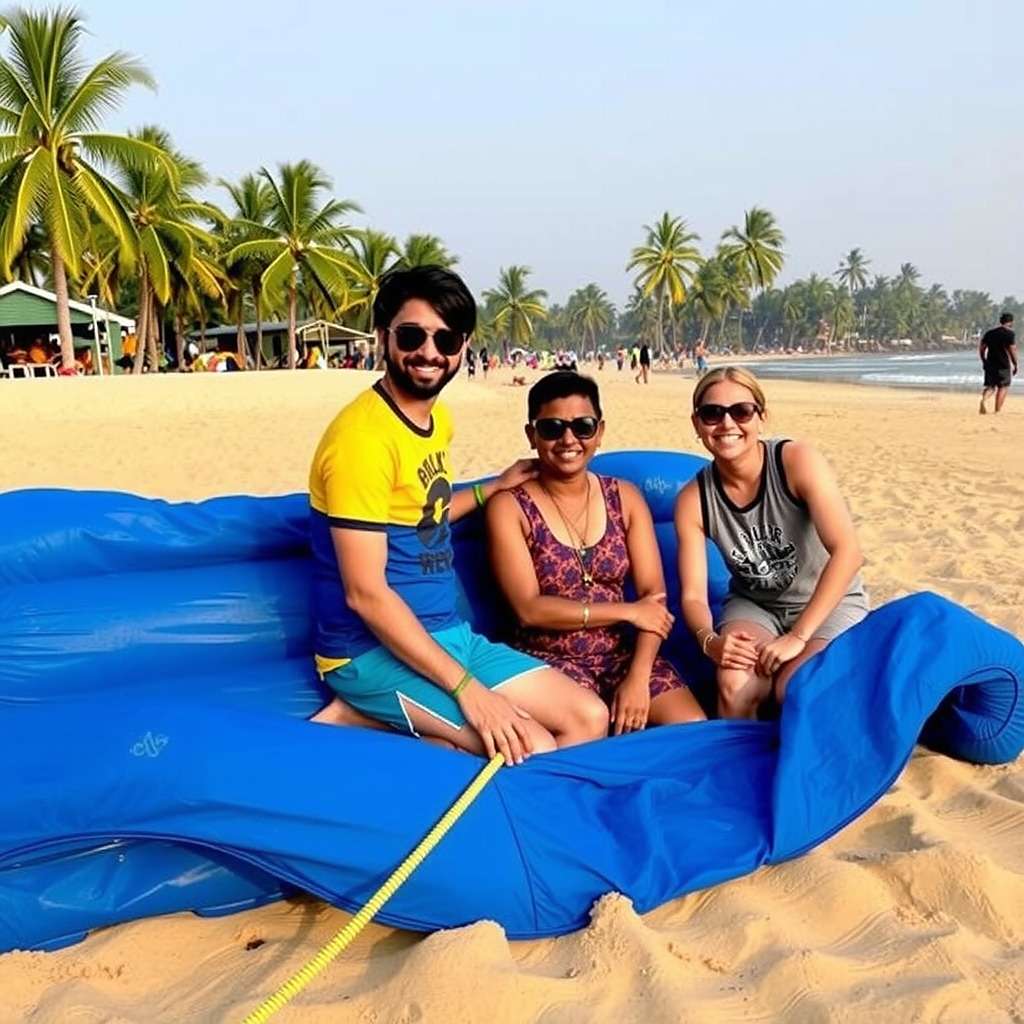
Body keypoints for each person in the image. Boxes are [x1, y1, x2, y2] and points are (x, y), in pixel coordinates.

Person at [308, 267, 609, 764]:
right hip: (368, 651)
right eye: (412, 335)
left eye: (445, 339)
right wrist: (470, 691)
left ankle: (390, 722)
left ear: (463, 346)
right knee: (530, 747)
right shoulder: (362, 441)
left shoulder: (436, 419)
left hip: (446, 634)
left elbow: (426, 515)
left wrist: (492, 489)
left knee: (588, 716)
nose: (429, 352)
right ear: (383, 336)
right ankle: (368, 711)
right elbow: (365, 594)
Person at [487, 371, 705, 733]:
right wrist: (627, 611)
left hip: (622, 656)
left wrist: (638, 678)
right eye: (552, 428)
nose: (568, 439)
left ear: (599, 432)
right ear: (532, 434)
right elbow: (529, 609)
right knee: (592, 727)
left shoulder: (625, 498)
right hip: (548, 659)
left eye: (583, 427)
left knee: (691, 726)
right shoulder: (511, 507)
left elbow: (654, 599)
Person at [675, 367, 868, 719]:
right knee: (735, 683)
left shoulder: (795, 462)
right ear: (697, 423)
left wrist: (798, 637)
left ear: (761, 418)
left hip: (828, 601)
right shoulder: (693, 499)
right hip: (757, 605)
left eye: (741, 411)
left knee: (794, 688)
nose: (727, 423)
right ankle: (738, 753)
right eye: (712, 413)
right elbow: (693, 596)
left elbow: (848, 552)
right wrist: (710, 641)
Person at [979, 313, 1018, 414]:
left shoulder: (990, 333)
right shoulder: (1009, 334)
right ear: (1011, 322)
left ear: (1001, 321)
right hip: (1003, 364)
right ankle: (997, 410)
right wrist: (1015, 364)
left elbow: (982, 348)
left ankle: (984, 400)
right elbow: (1012, 350)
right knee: (1003, 386)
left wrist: (983, 360)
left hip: (990, 363)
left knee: (991, 386)